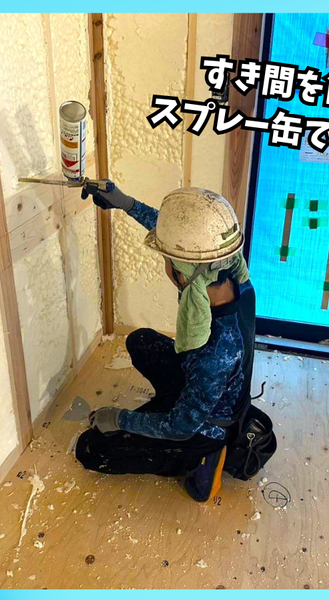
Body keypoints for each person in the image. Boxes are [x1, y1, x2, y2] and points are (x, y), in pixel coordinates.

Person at [74, 182, 256, 502]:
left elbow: (180, 426)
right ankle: (176, 405)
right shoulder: (229, 272)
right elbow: (183, 238)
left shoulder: (215, 350)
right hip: (210, 386)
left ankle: (207, 457)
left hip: (202, 427)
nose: (166, 264)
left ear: (182, 273)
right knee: (141, 341)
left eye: (168, 260)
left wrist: (119, 418)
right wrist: (126, 203)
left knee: (91, 449)